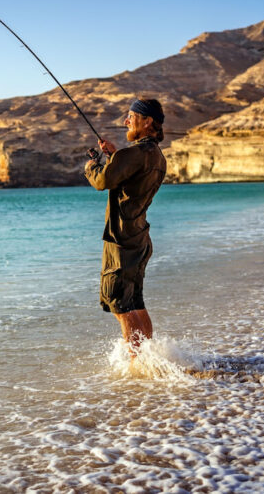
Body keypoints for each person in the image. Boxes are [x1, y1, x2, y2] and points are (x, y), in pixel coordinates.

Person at [84, 98, 166, 356]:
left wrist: (92, 165)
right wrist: (115, 156)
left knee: (120, 304)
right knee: (136, 303)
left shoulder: (133, 155)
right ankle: (149, 360)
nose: (126, 121)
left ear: (147, 121)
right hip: (139, 237)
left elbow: (102, 181)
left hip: (121, 240)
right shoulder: (156, 156)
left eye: (130, 116)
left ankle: (136, 368)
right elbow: (127, 175)